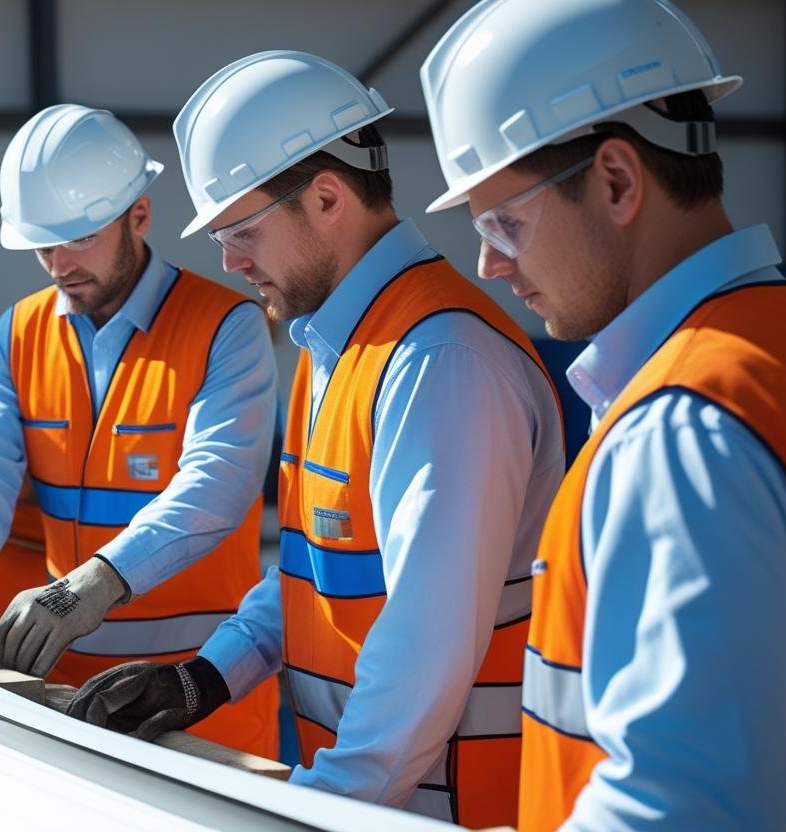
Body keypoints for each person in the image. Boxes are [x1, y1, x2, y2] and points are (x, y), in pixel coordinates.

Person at [69, 51, 565, 827]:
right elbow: (314, 569)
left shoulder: (440, 361)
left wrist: (321, 811)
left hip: (446, 807)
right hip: (381, 805)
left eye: (243, 231)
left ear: (328, 197)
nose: (229, 261)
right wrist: (206, 677)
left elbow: (426, 647)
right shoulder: (334, 345)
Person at [420, 0, 786, 828]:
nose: (489, 263)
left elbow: (675, 810)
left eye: (505, 222)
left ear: (617, 180)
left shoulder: (684, 428)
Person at [0, 103, 281, 758]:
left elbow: (217, 483)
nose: (57, 264)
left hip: (196, 697)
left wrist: (98, 582)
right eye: (42, 245)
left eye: (78, 239)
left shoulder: (226, 327)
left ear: (140, 214)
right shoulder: (17, 335)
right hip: (61, 696)